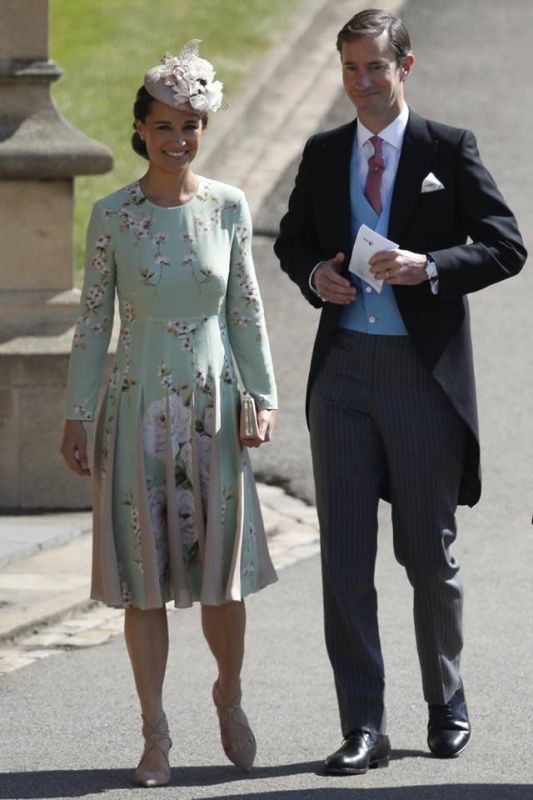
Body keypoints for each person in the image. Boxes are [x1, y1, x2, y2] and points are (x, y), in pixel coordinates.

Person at [274, 8, 526, 776]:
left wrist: (432, 265)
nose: (361, 84)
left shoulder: (445, 149)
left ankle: (444, 700)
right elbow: (291, 238)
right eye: (350, 69)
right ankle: (363, 726)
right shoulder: (323, 154)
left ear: (403, 68)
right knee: (344, 561)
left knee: (427, 556)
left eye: (374, 68)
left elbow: (506, 244)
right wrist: (314, 274)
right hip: (342, 376)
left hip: (422, 378)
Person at [61, 41, 278, 787]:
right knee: (143, 579)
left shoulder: (227, 206)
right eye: (164, 125)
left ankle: (229, 695)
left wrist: (263, 395)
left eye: (190, 125)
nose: (178, 139)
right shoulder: (112, 216)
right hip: (135, 409)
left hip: (214, 406)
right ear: (140, 128)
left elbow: (245, 308)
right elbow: (93, 323)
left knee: (221, 577)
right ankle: (153, 733)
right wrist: (76, 411)